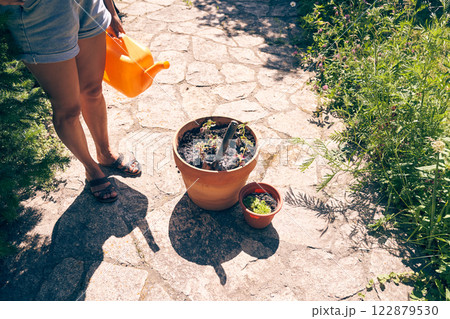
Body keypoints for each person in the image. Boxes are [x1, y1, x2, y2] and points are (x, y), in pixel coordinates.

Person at [0, 0, 141, 203]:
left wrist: (111, 10)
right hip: (39, 13)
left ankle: (105, 153)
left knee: (93, 90)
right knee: (68, 109)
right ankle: (91, 169)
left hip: (87, 5)